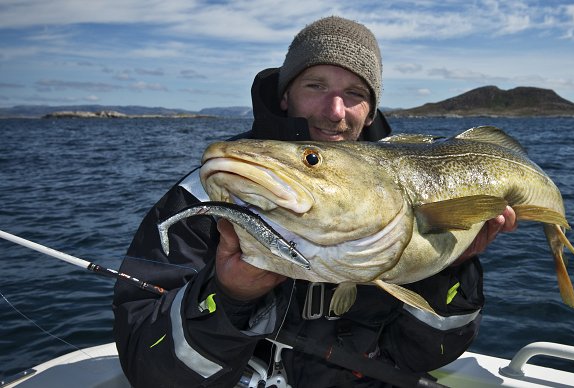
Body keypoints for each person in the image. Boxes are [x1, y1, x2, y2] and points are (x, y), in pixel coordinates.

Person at [112, 16, 517, 387]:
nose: (335, 111)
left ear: (371, 109)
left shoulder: (411, 192)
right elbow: (150, 370)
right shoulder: (203, 198)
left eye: (355, 93)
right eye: (316, 86)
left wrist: (451, 269)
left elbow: (421, 355)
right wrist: (229, 296)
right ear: (285, 95)